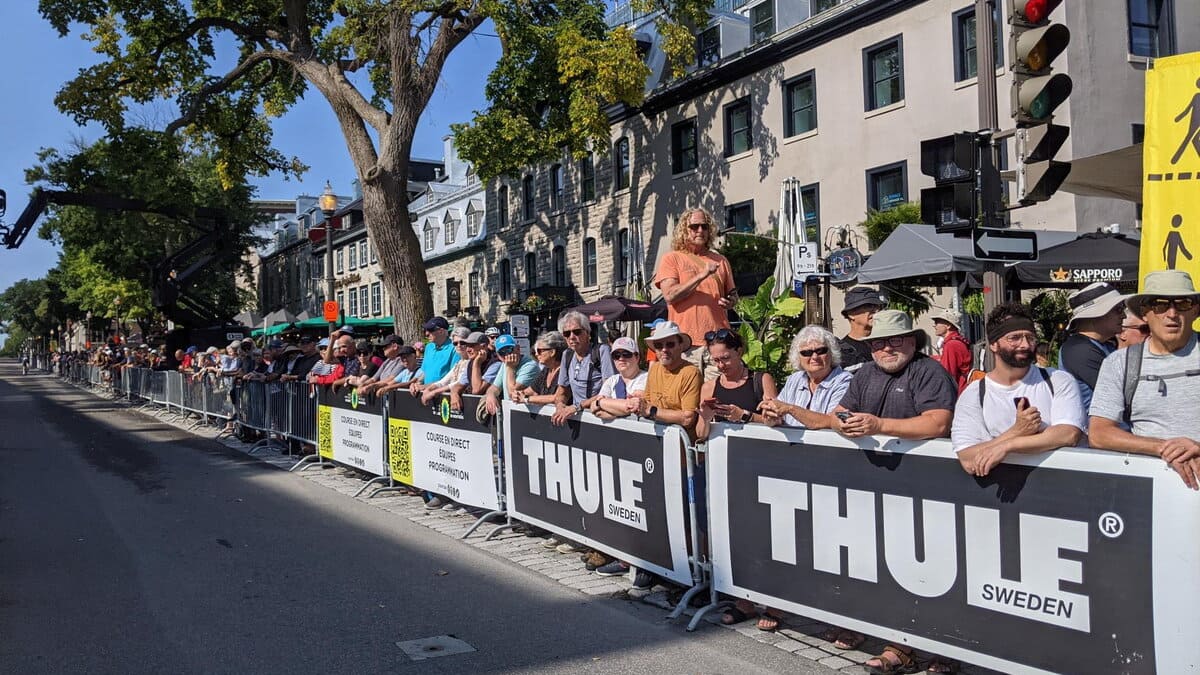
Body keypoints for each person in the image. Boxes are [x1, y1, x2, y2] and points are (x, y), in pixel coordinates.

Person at [1089, 270, 1200, 490]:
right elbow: (1099, 433)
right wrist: (1163, 448)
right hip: (1150, 493)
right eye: (1159, 305)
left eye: (1183, 304)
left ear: (1196, 310)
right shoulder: (1120, 363)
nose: (1171, 313)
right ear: (1144, 313)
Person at [952, 302, 1085, 478]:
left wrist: (1008, 446)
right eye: (1014, 338)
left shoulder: (1057, 380)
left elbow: (1068, 434)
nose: (1024, 345)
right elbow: (968, 459)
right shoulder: (975, 393)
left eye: (1030, 338)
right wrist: (1016, 431)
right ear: (993, 344)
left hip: (1061, 488)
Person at [832, 309, 956, 441]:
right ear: (871, 348)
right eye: (879, 342)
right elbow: (837, 414)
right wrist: (840, 423)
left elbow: (939, 425)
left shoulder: (930, 372)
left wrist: (880, 425)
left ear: (912, 343)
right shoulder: (865, 372)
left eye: (895, 340)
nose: (887, 348)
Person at [652, 208, 736, 380]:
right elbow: (670, 295)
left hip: (717, 343)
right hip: (685, 345)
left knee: (717, 401)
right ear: (684, 229)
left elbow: (733, 294)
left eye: (704, 227)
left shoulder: (721, 260)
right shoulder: (672, 258)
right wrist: (702, 274)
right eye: (694, 226)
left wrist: (731, 301)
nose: (700, 231)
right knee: (687, 401)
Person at [761, 325, 852, 429]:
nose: (814, 357)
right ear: (798, 357)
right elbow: (780, 417)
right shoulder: (794, 380)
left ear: (831, 352)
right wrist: (771, 417)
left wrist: (790, 409)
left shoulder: (845, 381)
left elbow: (834, 421)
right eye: (806, 353)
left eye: (820, 351)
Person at [694, 329, 778, 440]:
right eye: (716, 360)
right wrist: (705, 419)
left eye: (725, 358)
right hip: (723, 453)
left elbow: (776, 421)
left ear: (739, 352)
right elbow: (701, 434)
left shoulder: (761, 380)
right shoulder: (709, 387)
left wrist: (743, 415)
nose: (721, 365)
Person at [1058, 281, 1126, 412]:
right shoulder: (1078, 350)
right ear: (1096, 314)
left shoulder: (1102, 345)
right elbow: (1122, 392)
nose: (1124, 315)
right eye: (1118, 309)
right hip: (1097, 430)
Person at [626, 320, 701, 437]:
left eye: (670, 344)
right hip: (656, 438)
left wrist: (652, 411)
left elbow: (688, 418)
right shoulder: (654, 369)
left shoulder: (691, 372)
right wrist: (638, 402)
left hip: (679, 443)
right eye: (659, 346)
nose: (664, 349)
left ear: (680, 346)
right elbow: (647, 401)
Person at [551, 311, 614, 426]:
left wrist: (577, 407)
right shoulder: (567, 354)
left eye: (577, 332)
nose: (572, 337)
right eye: (566, 334)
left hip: (599, 417)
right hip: (576, 417)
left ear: (588, 333)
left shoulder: (602, 351)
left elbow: (608, 391)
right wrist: (560, 406)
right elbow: (562, 391)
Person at [588, 336, 648, 419]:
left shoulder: (646, 378)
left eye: (626, 354)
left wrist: (600, 403)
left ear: (637, 357)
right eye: (616, 355)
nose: (621, 358)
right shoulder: (611, 380)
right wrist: (620, 411)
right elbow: (595, 408)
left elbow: (632, 407)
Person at [411, 326, 472, 404]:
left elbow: (458, 383)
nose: (459, 345)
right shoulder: (459, 363)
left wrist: (433, 392)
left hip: (467, 403)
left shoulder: (472, 362)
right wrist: (428, 389)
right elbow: (442, 382)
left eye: (462, 342)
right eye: (455, 343)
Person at [483, 334, 541, 415]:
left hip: (528, 414)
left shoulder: (530, 365)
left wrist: (510, 368)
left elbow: (513, 393)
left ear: (518, 349)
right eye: (502, 352)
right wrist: (490, 395)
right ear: (498, 355)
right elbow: (495, 387)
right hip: (511, 413)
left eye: (509, 349)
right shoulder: (504, 364)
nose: (507, 355)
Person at [838, 286, 887, 372]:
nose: (875, 310)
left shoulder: (888, 344)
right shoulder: (842, 352)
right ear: (851, 314)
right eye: (868, 306)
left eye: (878, 306)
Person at [513, 331, 568, 405]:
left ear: (552, 352)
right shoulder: (546, 370)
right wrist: (518, 394)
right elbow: (531, 390)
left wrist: (527, 399)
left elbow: (557, 397)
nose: (536, 354)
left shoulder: (565, 371)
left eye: (539, 351)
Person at [932, 310, 971, 393]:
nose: (934, 325)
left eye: (937, 322)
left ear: (948, 325)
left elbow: (946, 376)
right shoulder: (955, 342)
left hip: (959, 394)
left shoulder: (951, 345)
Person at [417, 316, 460, 386]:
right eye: (426, 330)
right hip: (425, 392)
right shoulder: (429, 347)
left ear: (441, 331)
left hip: (443, 394)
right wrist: (417, 383)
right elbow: (424, 372)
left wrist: (427, 386)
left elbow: (453, 377)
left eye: (430, 330)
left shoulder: (455, 348)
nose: (426, 333)